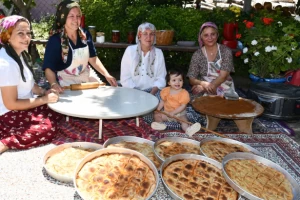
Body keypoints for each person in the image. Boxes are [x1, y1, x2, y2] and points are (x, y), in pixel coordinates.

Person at [0, 15, 63, 154]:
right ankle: (6, 141)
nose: (26, 37)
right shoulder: (6, 63)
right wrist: (44, 100)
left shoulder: (19, 54)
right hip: (8, 114)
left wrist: (43, 92)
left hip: (22, 107)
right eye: (20, 33)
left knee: (57, 114)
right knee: (48, 128)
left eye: (28, 33)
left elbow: (29, 84)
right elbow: (11, 104)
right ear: (7, 36)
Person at [43, 0, 117, 93]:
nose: (75, 19)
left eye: (78, 16)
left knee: (102, 95)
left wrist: (107, 75)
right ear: (63, 17)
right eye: (71, 16)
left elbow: (93, 59)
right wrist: (54, 84)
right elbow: (49, 67)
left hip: (86, 75)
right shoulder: (56, 40)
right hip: (66, 81)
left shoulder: (84, 35)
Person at [187, 22, 235, 99]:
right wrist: (202, 84)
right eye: (206, 35)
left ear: (217, 35)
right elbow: (192, 79)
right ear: (201, 37)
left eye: (213, 34)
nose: (210, 38)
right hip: (204, 84)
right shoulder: (197, 54)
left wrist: (206, 87)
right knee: (193, 100)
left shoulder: (225, 51)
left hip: (223, 84)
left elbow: (223, 76)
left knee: (225, 103)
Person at [120, 22, 167, 95]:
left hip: (152, 92)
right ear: (139, 36)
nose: (148, 37)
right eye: (145, 33)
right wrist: (137, 94)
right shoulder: (130, 51)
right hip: (131, 90)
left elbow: (161, 78)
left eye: (152, 34)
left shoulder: (158, 53)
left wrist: (151, 94)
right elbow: (125, 78)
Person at [152, 70, 199, 135]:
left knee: (184, 121)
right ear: (169, 82)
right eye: (174, 80)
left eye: (180, 80)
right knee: (157, 115)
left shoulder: (184, 93)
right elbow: (162, 101)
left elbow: (183, 106)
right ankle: (160, 125)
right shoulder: (165, 90)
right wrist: (158, 109)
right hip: (167, 113)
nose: (177, 82)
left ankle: (188, 130)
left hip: (179, 114)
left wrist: (174, 112)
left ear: (183, 81)